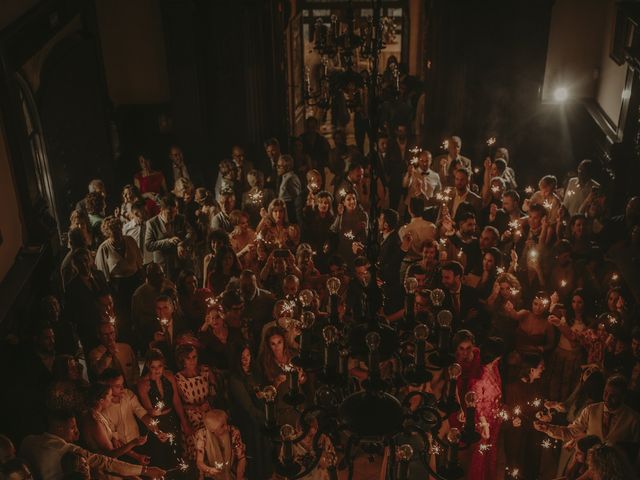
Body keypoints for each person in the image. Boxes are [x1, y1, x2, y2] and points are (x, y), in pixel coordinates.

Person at [20, 410, 164, 480]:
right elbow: (105, 462)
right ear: (59, 428)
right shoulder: (64, 449)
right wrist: (146, 470)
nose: (77, 431)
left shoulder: (28, 441)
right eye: (72, 427)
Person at [535, 374, 640, 446]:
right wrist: (547, 428)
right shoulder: (590, 410)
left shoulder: (633, 420)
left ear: (623, 396)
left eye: (613, 396)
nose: (607, 398)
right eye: (606, 393)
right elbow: (570, 431)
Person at [137, 348, 192, 471]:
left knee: (177, 454)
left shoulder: (169, 376)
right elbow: (147, 412)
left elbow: (176, 400)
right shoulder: (143, 384)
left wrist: (184, 422)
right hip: (157, 423)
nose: (157, 370)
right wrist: (154, 416)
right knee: (161, 457)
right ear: (147, 366)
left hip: (172, 419)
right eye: (153, 367)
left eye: (160, 366)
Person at [100, 368, 163, 465]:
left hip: (138, 443)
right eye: (117, 386)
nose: (122, 388)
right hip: (123, 453)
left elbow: (142, 414)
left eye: (122, 384)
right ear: (106, 387)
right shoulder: (105, 409)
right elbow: (115, 441)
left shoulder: (128, 394)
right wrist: (136, 456)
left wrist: (156, 431)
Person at [228, 345, 273, 479]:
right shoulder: (235, 379)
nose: (245, 359)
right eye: (242, 357)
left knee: (264, 446)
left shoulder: (256, 371)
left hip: (260, 414)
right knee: (255, 448)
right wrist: (266, 417)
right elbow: (247, 406)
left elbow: (261, 390)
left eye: (247, 355)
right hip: (248, 419)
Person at [80, 382, 147, 458]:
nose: (112, 398)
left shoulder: (95, 414)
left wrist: (136, 456)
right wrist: (134, 442)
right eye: (110, 396)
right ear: (101, 401)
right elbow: (110, 453)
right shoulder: (95, 422)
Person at [175, 344, 216, 460]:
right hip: (192, 419)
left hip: (209, 415)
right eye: (188, 358)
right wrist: (194, 407)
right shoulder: (178, 379)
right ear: (182, 359)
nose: (192, 361)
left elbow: (214, 391)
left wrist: (208, 401)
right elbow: (178, 403)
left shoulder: (205, 371)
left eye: (194, 357)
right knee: (198, 453)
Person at [145, 194, 194, 281]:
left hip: (181, 263)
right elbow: (148, 245)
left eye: (174, 212)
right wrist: (168, 241)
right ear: (161, 210)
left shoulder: (181, 218)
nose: (173, 216)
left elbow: (191, 233)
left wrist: (182, 243)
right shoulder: (152, 223)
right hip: (163, 266)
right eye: (169, 213)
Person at [195, 410, 246, 480]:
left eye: (225, 423)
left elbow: (241, 458)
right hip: (210, 476)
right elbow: (199, 462)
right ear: (212, 430)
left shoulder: (233, 432)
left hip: (231, 473)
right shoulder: (202, 435)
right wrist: (209, 470)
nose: (226, 427)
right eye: (222, 426)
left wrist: (239, 477)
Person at [88, 322, 139, 387]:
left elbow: (135, 369)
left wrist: (134, 385)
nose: (110, 338)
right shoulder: (95, 353)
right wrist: (108, 354)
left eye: (112, 333)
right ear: (99, 336)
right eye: (105, 335)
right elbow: (98, 371)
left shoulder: (126, 348)